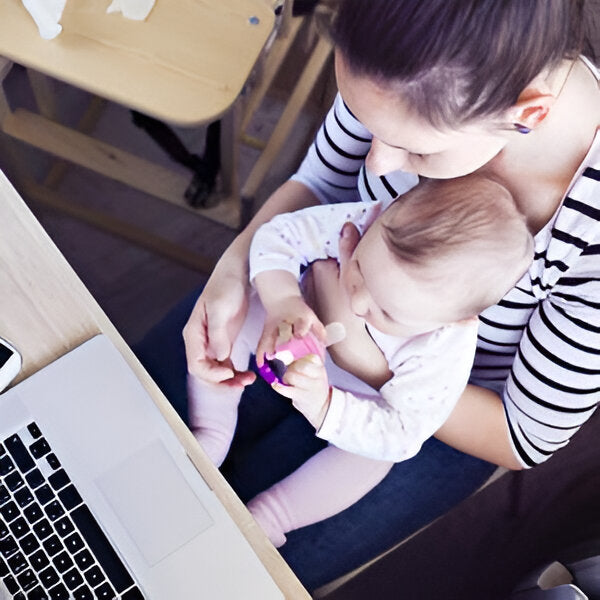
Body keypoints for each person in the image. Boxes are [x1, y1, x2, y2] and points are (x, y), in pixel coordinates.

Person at [134, 0, 600, 591]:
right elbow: (321, 183)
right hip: (303, 293)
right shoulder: (409, 54)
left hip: (434, 413)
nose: (378, 162)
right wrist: (234, 270)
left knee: (213, 572)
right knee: (124, 437)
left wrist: (363, 357)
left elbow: (522, 435)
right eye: (363, 120)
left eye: (417, 151)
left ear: (527, 113)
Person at [188, 175, 533, 547]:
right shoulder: (365, 221)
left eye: (387, 312)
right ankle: (210, 429)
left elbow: (402, 432)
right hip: (297, 317)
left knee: (373, 458)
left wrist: (326, 406)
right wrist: (283, 300)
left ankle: (273, 516)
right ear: (378, 219)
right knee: (233, 321)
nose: (358, 304)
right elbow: (279, 236)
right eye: (360, 272)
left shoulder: (446, 348)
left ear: (454, 321)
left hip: (364, 392)